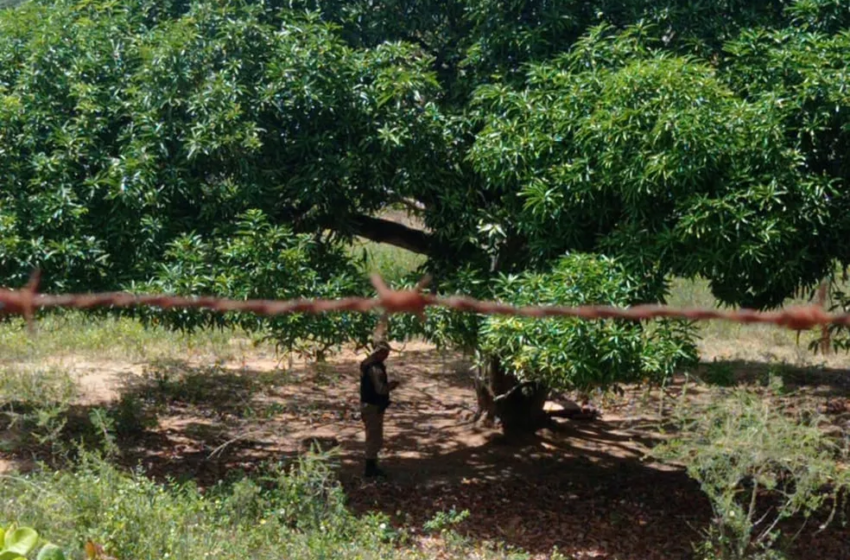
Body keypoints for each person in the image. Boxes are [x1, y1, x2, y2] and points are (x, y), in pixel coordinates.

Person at [359, 339, 399, 478]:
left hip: (370, 405)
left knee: (374, 436)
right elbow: (380, 389)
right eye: (385, 353)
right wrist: (391, 386)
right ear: (380, 353)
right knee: (373, 437)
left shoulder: (368, 364)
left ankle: (372, 466)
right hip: (372, 406)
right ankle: (370, 469)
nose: (387, 356)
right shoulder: (374, 368)